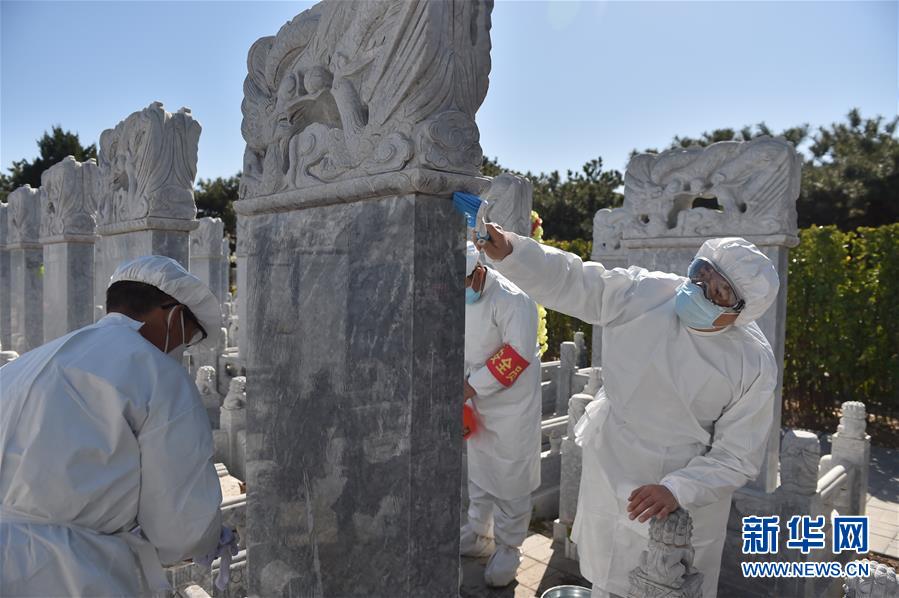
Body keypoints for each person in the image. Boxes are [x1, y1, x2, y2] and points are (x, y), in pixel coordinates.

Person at [477, 226, 779, 598]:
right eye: (701, 273)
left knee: (665, 582)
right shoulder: (648, 293)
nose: (700, 290)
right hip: (612, 455)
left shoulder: (752, 362)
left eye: (718, 292)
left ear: (741, 311)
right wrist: (513, 252)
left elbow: (737, 456)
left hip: (681, 485)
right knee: (604, 574)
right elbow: (576, 281)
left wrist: (677, 489)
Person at [1, 255, 226, 597]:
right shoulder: (158, 373)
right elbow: (178, 527)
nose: (182, 349)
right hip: (72, 571)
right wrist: (206, 536)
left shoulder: (33, 362)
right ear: (176, 316)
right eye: (189, 337)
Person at [461, 241, 543, 587]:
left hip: (511, 403)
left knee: (510, 476)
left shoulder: (513, 299)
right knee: (479, 466)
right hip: (474, 392)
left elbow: (519, 354)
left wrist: (472, 386)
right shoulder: (459, 287)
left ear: (478, 270)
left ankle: (510, 546)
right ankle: (479, 532)